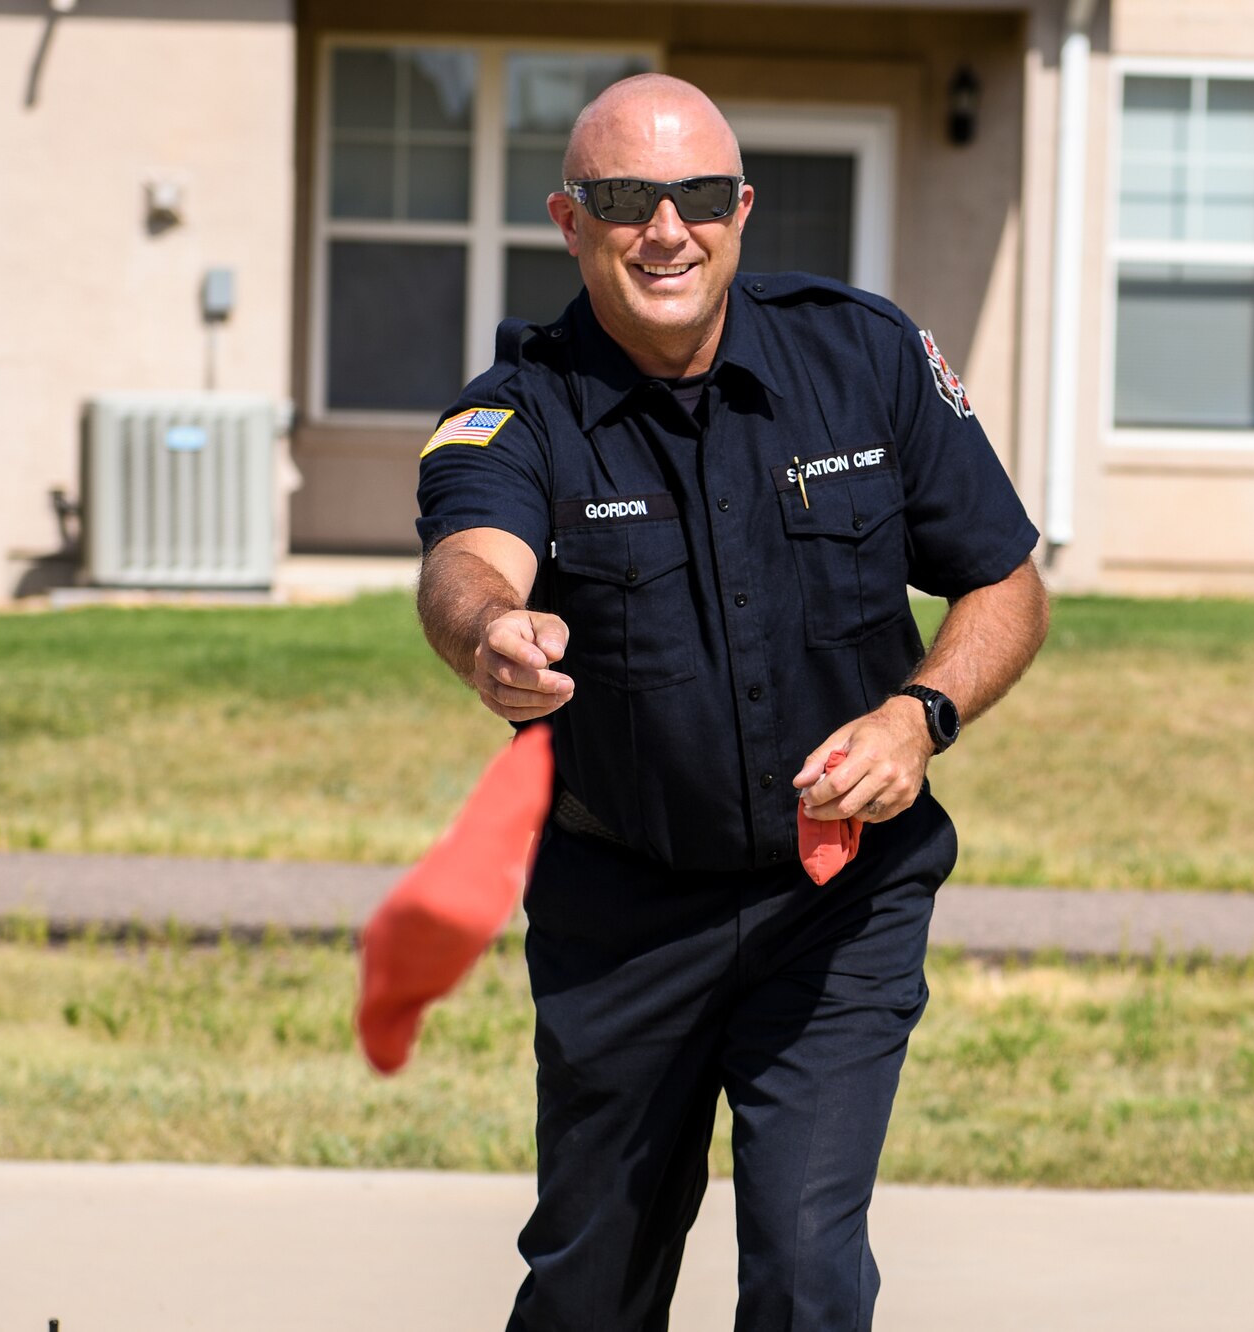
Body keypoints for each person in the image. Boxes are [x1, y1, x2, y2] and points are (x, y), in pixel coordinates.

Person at [413, 73, 1048, 1332]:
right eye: (624, 198)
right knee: (593, 1287)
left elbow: (1002, 581)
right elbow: (467, 558)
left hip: (837, 899)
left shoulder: (860, 356)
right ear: (568, 219)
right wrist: (493, 630)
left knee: (810, 1278)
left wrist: (917, 717)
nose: (665, 229)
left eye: (697, 195)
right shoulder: (521, 407)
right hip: (624, 914)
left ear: (741, 208)